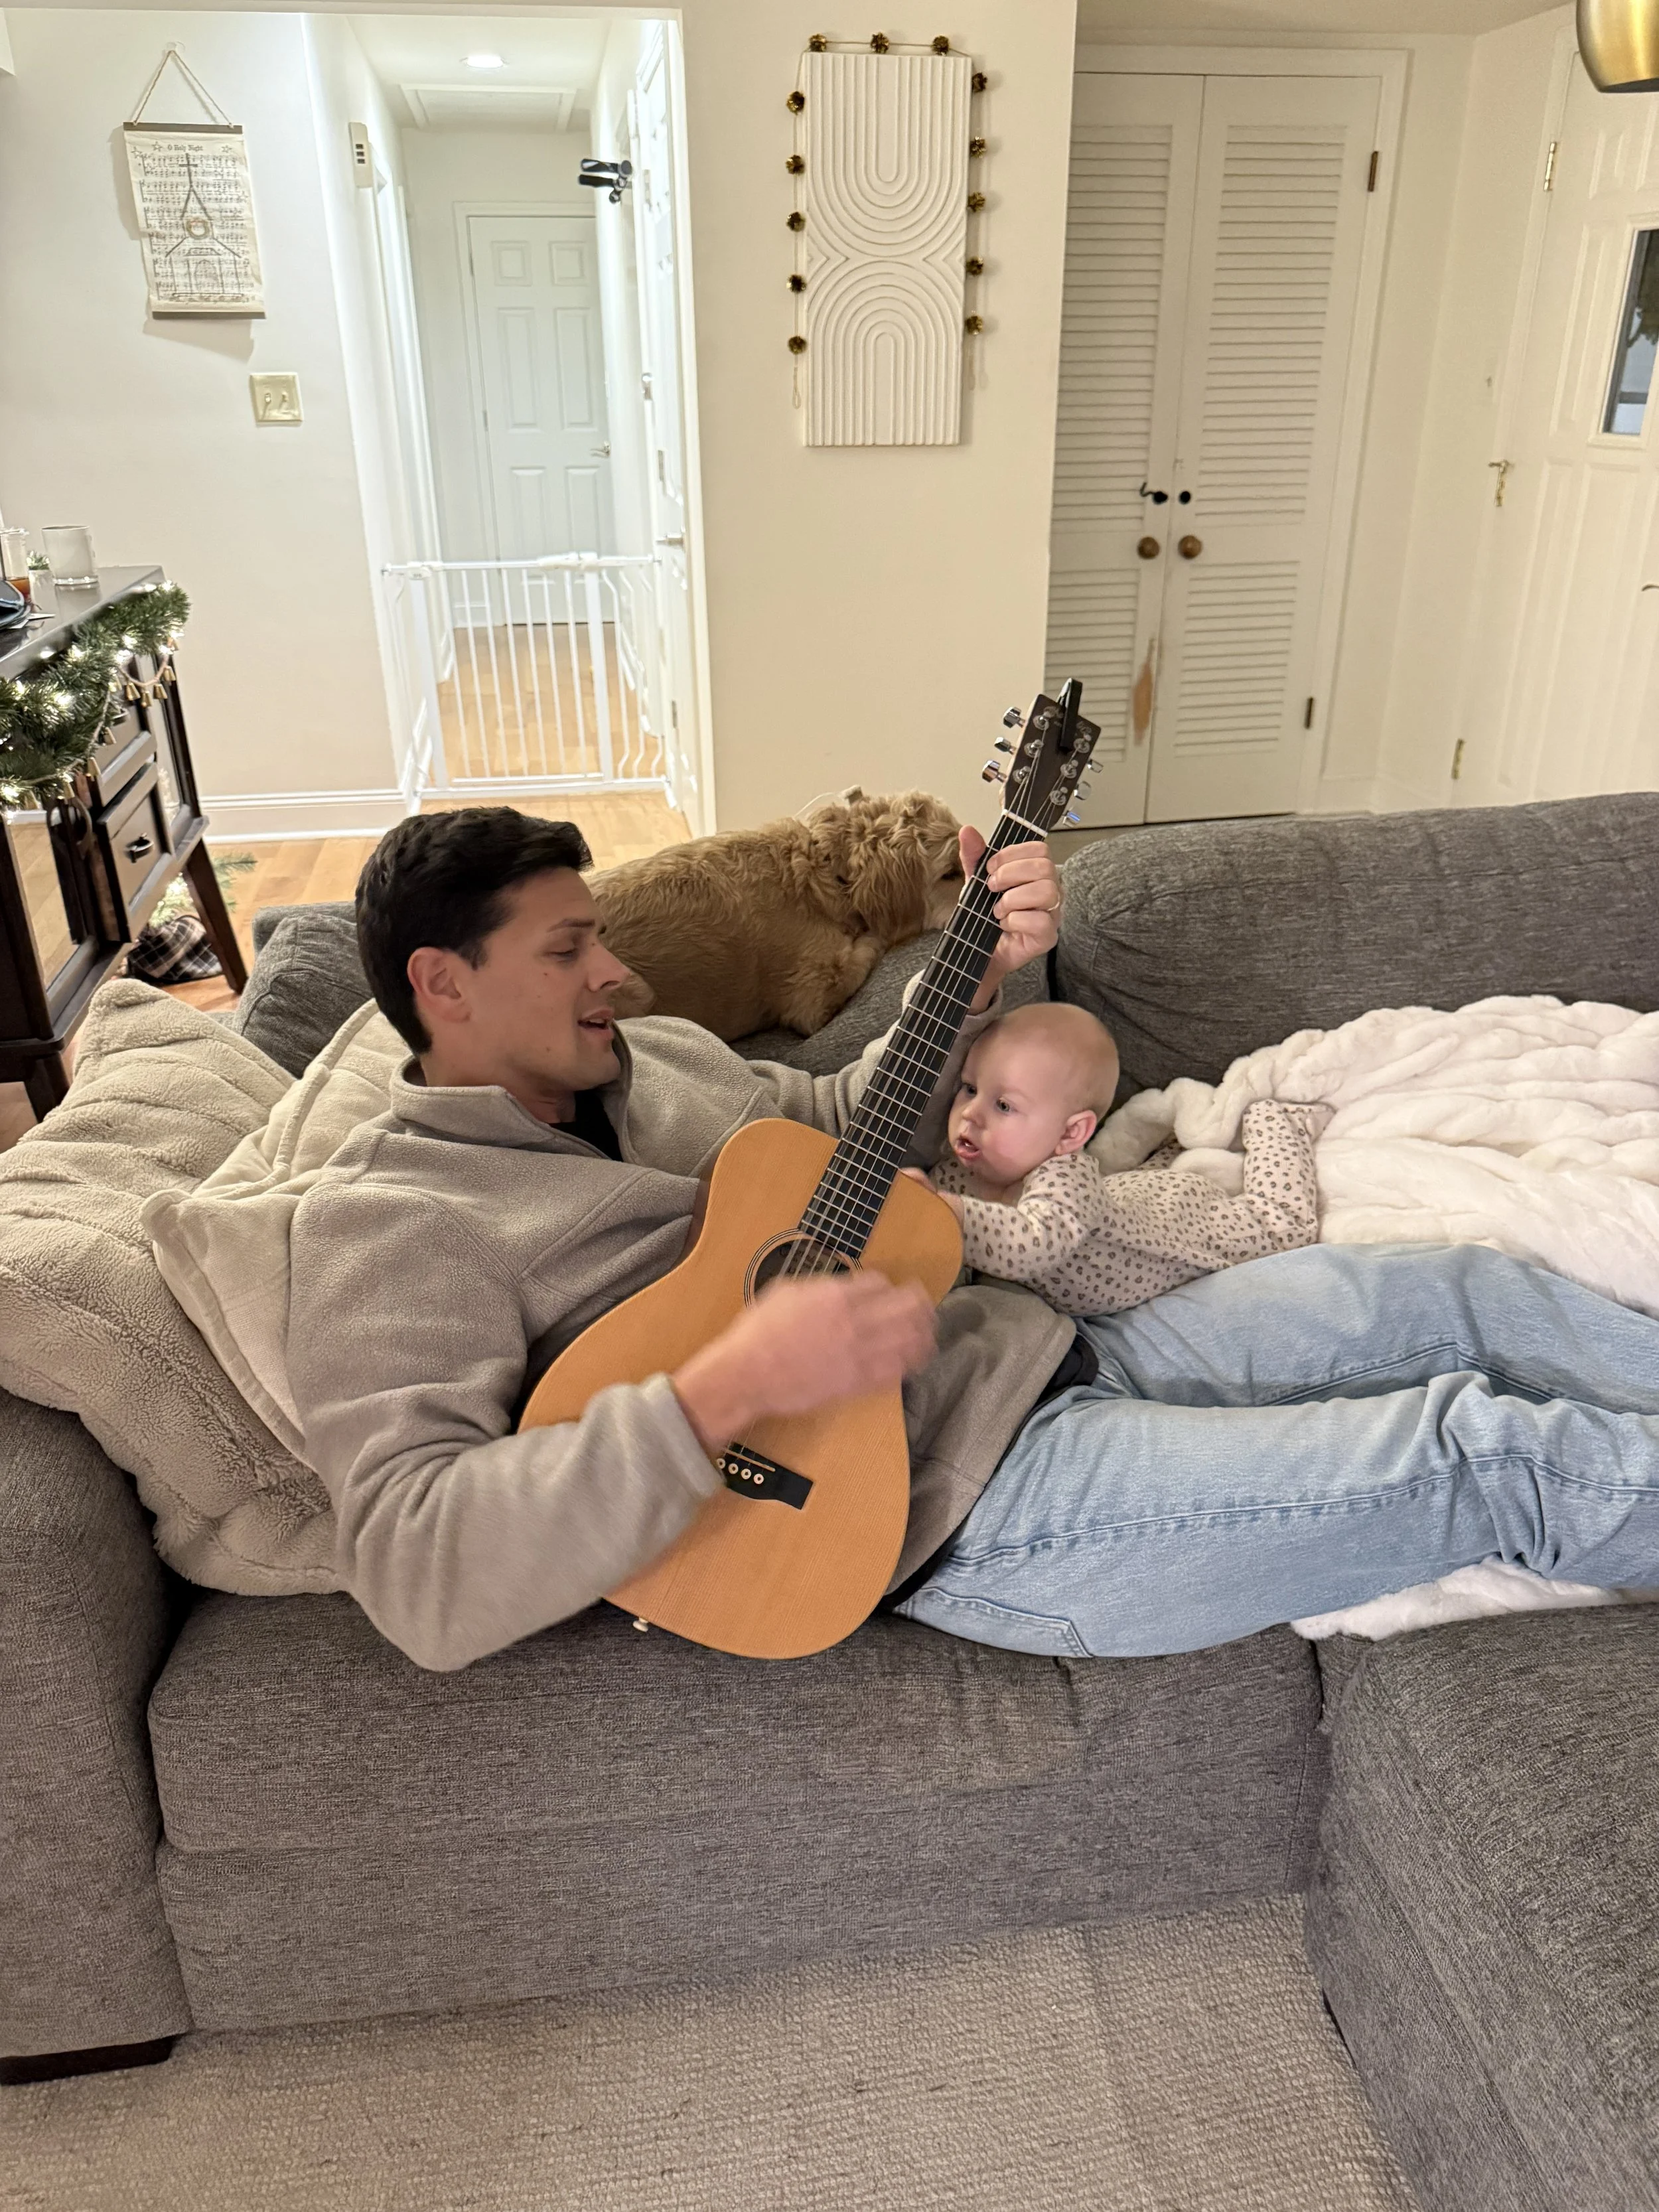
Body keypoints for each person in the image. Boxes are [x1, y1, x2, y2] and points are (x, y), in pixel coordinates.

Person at [271, 806, 1659, 1671]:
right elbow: (417, 1569)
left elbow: (820, 1119)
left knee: (1460, 1289)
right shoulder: (384, 1225)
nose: (614, 971)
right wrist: (733, 1382)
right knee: (1485, 1449)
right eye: (568, 950)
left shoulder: (650, 1055)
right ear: (441, 984)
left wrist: (971, 978)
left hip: (1048, 1338)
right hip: (952, 1510)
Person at [912, 999, 1329, 1316]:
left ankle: (1277, 1120)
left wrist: (943, 1216)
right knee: (1132, 1183)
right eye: (969, 1088)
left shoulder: (1067, 1177)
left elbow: (1035, 1243)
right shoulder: (957, 1172)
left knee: (1282, 1228)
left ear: (1070, 1134)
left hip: (1173, 1224)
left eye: (1003, 1106)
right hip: (1122, 1195)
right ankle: (1168, 1153)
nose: (969, 1112)